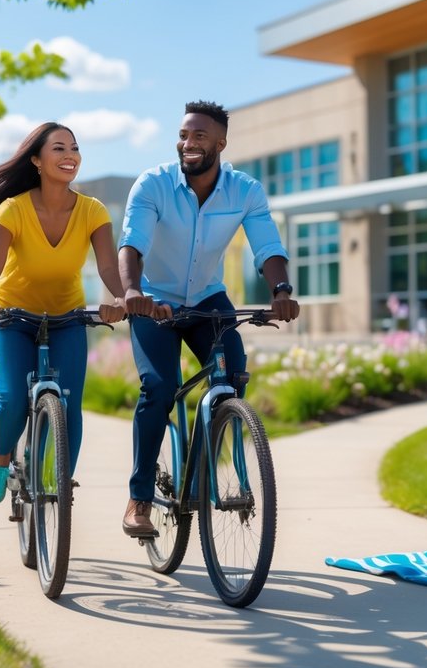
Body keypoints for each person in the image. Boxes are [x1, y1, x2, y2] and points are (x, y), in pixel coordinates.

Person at [118, 100, 299, 536]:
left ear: (221, 142)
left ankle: (220, 466)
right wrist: (131, 292)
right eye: (183, 134)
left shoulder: (245, 191)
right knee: (159, 388)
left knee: (233, 375)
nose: (188, 143)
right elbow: (132, 244)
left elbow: (267, 246)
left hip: (207, 299)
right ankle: (139, 499)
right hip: (154, 302)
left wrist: (281, 291)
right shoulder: (153, 185)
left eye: (199, 136)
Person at [0, 122, 127, 504]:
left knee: (69, 401)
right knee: (12, 399)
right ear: (37, 160)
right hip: (11, 317)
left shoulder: (92, 210)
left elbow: (108, 267)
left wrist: (122, 299)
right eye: (58, 149)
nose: (69, 155)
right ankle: (1, 462)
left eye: (74, 147)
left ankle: (60, 484)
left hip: (66, 317)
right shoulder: (14, 208)